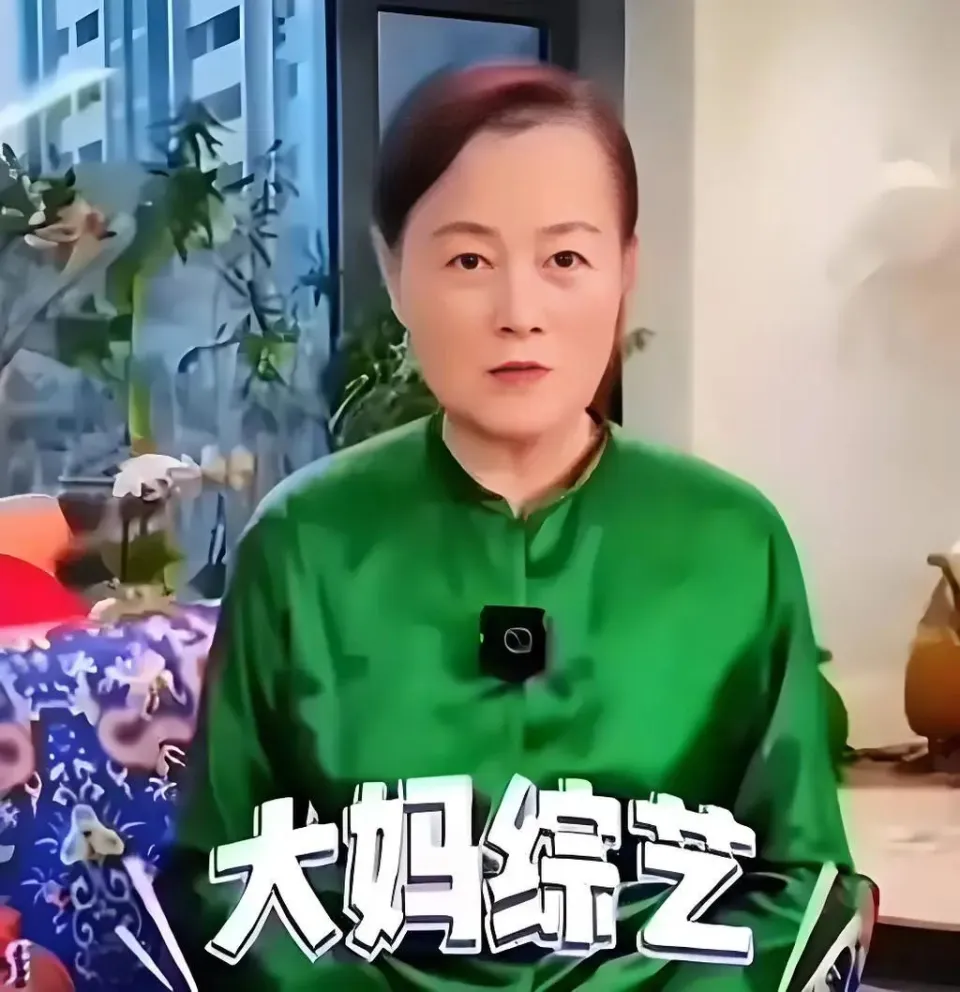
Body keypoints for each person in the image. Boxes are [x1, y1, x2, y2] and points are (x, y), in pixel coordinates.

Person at [158, 63, 858, 990]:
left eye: (565, 260)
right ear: (394, 273)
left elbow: (803, 882)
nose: (519, 315)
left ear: (627, 272)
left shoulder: (735, 543)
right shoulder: (302, 542)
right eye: (468, 262)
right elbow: (220, 878)